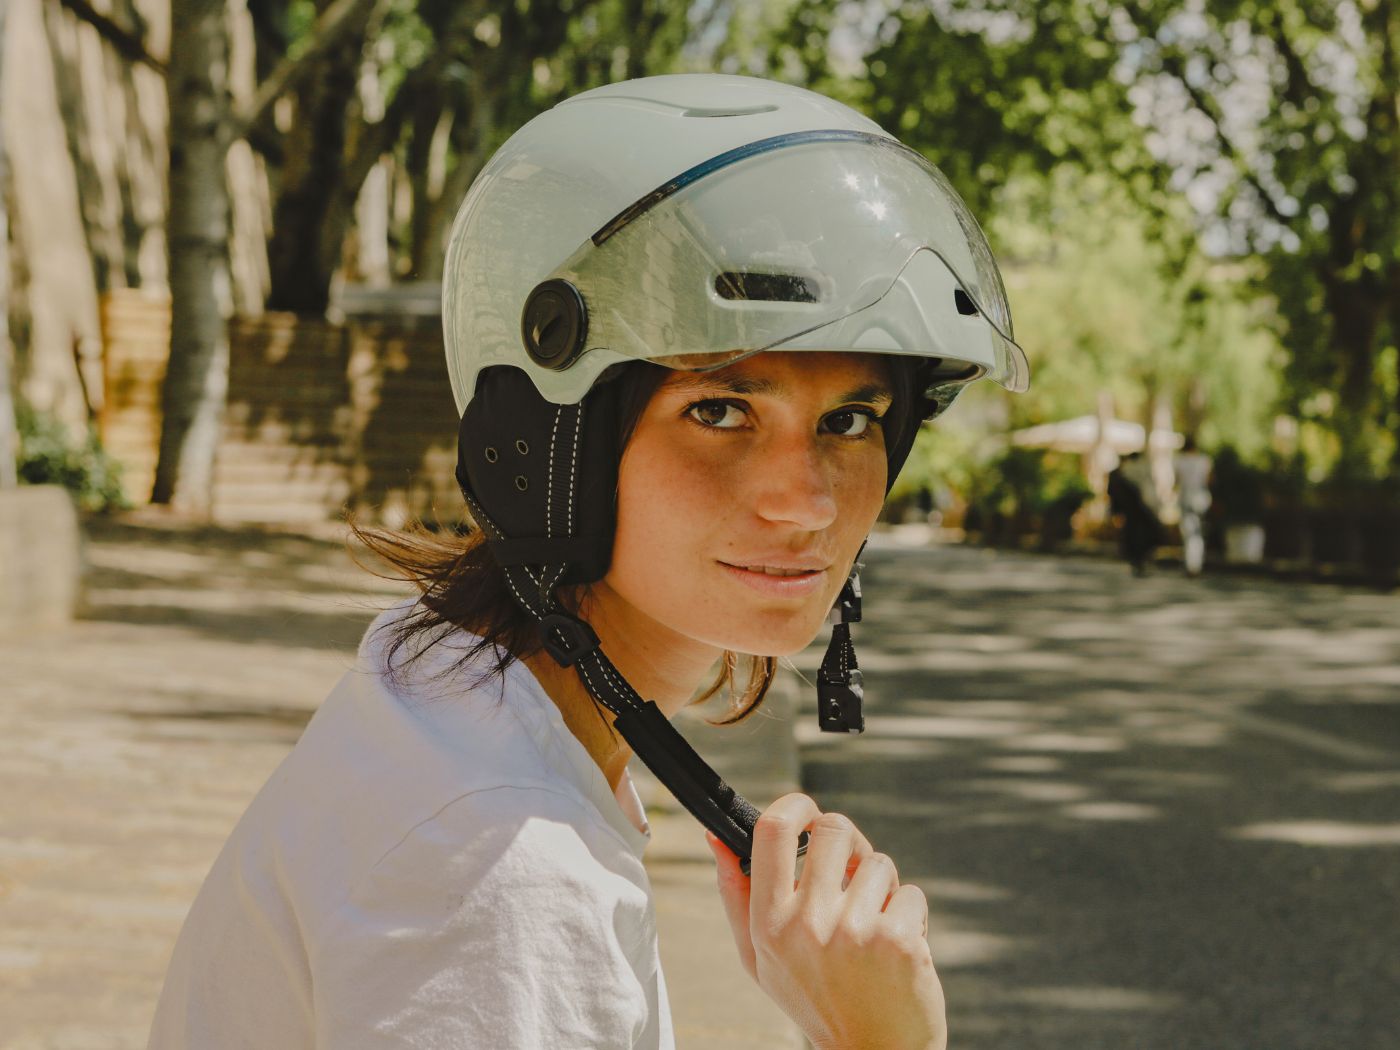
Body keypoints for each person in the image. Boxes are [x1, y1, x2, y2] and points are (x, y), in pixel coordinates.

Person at [147, 73, 1028, 1049]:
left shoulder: (449, 692)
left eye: (851, 420)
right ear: (542, 452)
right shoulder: (500, 867)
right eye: (720, 410)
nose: (808, 501)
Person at [1107, 451, 1161, 576]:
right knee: (1140, 537)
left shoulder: (1124, 473)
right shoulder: (1142, 472)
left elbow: (1114, 494)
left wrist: (1116, 511)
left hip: (1131, 513)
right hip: (1141, 512)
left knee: (1133, 537)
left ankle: (1137, 561)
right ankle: (1140, 561)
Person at [1173, 435, 1213, 576]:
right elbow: (1208, 481)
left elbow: (1176, 481)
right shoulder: (1204, 460)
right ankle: (1196, 563)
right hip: (1200, 498)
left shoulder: (1179, 461)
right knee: (1198, 531)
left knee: (1188, 531)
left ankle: (1190, 563)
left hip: (1186, 497)